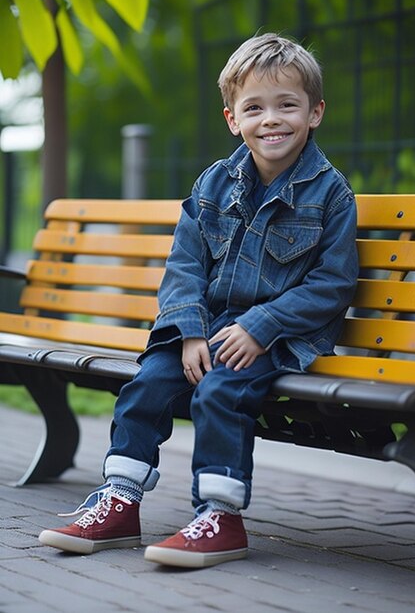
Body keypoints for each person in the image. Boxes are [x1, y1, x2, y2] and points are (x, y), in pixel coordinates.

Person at [39, 32, 359, 568]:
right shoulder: (213, 184)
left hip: (276, 337)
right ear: (233, 118)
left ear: (315, 113)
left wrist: (262, 324)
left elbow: (332, 285)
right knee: (147, 383)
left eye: (288, 105)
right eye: (254, 107)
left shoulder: (330, 194)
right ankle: (119, 500)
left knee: (220, 392)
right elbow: (184, 266)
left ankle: (220, 517)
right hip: (203, 328)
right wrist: (188, 332)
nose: (271, 120)